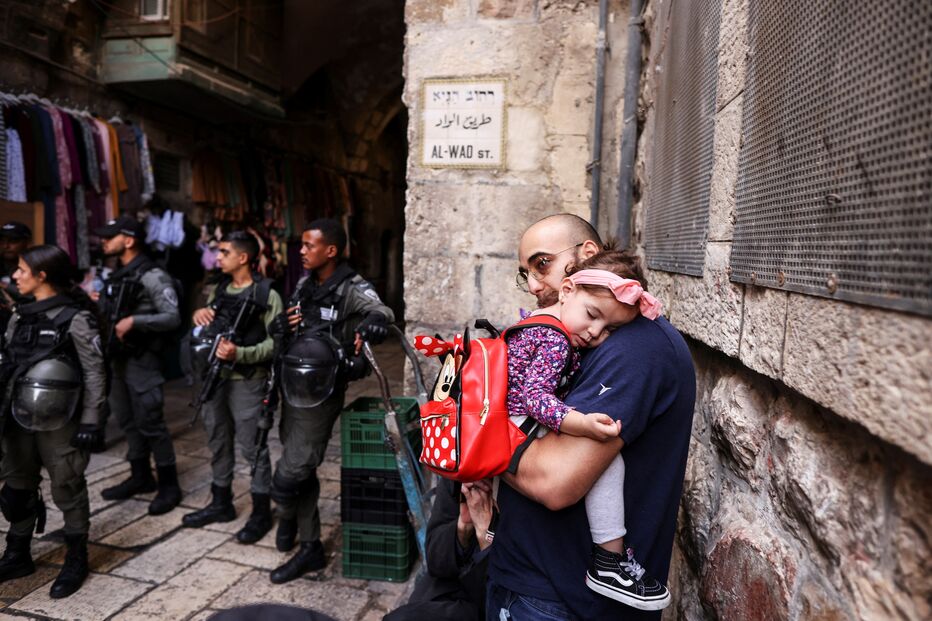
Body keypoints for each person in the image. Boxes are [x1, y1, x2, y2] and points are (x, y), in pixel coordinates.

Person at [485, 213, 696, 620]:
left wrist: (478, 442)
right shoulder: (560, 332)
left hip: (557, 599)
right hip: (528, 579)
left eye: (542, 263)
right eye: (525, 273)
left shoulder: (636, 349)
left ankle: (610, 561)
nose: (533, 284)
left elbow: (555, 482)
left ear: (586, 256)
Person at [268, 218, 394, 584]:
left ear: (331, 250)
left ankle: (286, 508)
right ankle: (310, 546)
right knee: (298, 460)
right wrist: (280, 327)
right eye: (302, 245)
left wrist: (373, 323)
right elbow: (292, 323)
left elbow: (382, 311)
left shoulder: (351, 287)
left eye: (309, 245)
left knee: (293, 469)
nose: (302, 251)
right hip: (292, 384)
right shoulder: (307, 284)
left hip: (321, 390)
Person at [0, 245, 107, 598]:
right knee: (17, 487)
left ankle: (77, 556)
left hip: (61, 420)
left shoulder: (76, 318)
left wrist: (92, 422)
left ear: (42, 276)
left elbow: (95, 373)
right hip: (18, 418)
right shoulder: (20, 315)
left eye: (21, 269)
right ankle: (18, 553)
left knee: (67, 486)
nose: (15, 275)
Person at [182, 231, 283, 544]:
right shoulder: (220, 288)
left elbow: (278, 343)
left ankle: (261, 511)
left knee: (253, 447)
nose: (217, 257)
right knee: (217, 439)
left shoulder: (268, 294)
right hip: (216, 378)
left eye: (224, 252)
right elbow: (211, 326)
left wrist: (241, 354)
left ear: (243, 258)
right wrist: (199, 315)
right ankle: (221, 502)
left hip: (247, 381)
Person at [95, 215, 183, 515]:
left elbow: (172, 316)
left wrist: (136, 321)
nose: (104, 241)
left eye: (111, 236)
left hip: (143, 359)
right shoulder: (118, 275)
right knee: (127, 420)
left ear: (129, 240)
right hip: (118, 359)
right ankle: (140, 475)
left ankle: (169, 484)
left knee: (151, 422)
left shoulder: (152, 274)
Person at [383, 478, 493, 621]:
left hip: (497, 600)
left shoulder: (524, 485)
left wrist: (485, 537)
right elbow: (435, 560)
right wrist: (462, 529)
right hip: (451, 588)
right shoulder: (461, 470)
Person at [0, 222, 33, 333]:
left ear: (27, 242)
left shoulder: (36, 264)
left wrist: (4, 286)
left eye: (13, 241)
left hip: (28, 324)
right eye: (2, 241)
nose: (6, 246)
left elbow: (36, 294)